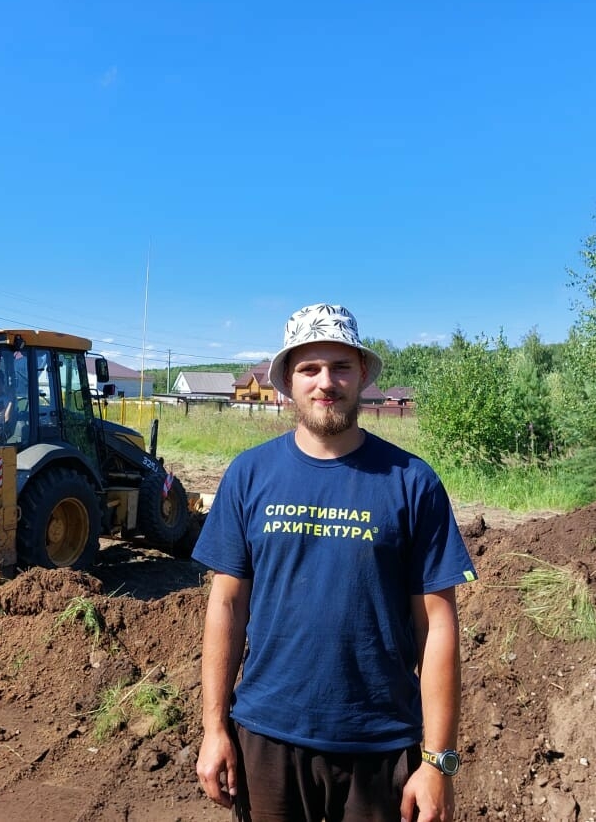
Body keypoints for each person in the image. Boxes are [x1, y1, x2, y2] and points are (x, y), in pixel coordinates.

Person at [193, 303, 478, 822]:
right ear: (287, 382)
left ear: (362, 374)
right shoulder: (248, 476)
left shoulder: (412, 482)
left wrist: (438, 763)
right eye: (309, 369)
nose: (327, 382)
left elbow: (438, 624)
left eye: (341, 367)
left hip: (380, 744)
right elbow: (227, 606)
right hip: (267, 737)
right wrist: (215, 728)